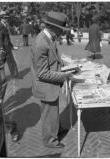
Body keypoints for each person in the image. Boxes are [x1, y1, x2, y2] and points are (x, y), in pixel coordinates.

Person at [30, 11, 83, 149]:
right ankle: (50, 140)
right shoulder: (41, 43)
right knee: (49, 113)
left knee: (53, 111)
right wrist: (64, 76)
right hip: (45, 86)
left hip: (51, 85)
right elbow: (42, 73)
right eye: (61, 30)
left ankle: (56, 130)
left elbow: (52, 61)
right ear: (52, 27)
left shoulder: (49, 38)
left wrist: (66, 65)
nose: (62, 33)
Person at [0, 10, 20, 145]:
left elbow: (5, 41)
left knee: (3, 81)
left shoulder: (2, 26)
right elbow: (2, 43)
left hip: (2, 58)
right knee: (2, 82)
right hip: (2, 57)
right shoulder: (0, 27)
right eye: (4, 17)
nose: (6, 19)